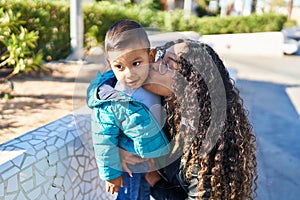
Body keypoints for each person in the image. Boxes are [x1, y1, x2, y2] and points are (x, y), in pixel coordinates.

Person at [122, 38, 258, 199]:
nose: (154, 64)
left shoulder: (207, 140)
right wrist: (120, 150)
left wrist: (155, 182)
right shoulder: (162, 107)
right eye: (160, 56)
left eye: (167, 65)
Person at [86, 19, 170, 200]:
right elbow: (103, 140)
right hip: (129, 167)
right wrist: (111, 174)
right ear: (110, 64)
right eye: (119, 67)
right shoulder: (114, 99)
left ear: (151, 56)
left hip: (152, 163)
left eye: (136, 63)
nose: (129, 74)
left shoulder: (155, 83)